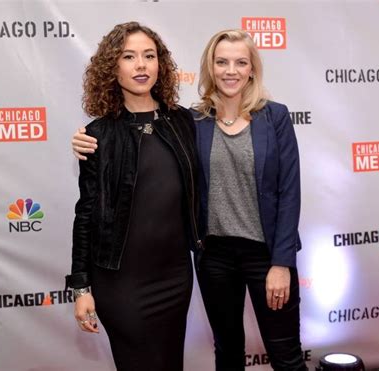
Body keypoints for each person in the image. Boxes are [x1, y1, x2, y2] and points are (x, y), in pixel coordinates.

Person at [72, 29, 307, 371]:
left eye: (241, 62)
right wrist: (80, 285)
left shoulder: (254, 118)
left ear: (253, 68)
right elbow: (90, 209)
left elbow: (289, 192)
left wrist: (282, 262)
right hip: (189, 265)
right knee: (224, 352)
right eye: (221, 62)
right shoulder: (185, 121)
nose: (231, 70)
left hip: (234, 262)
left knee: (284, 356)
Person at [65, 21, 200, 371]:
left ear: (161, 65)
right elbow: (86, 214)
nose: (141, 65)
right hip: (120, 281)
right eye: (129, 56)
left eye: (149, 56)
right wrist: (81, 287)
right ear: (113, 67)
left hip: (175, 276)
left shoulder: (183, 122)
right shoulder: (97, 135)